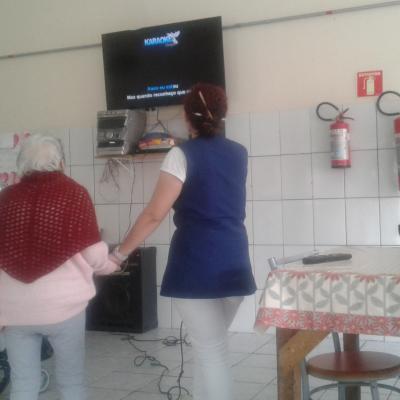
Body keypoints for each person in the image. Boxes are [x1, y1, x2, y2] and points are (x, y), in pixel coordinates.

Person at [112, 83, 256, 400]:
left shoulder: (180, 154)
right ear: (222, 114)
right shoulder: (239, 152)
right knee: (211, 348)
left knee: (211, 351)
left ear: (187, 117)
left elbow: (154, 214)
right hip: (235, 260)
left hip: (197, 263)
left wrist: (119, 255)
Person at [0, 134, 119, 400]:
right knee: (71, 382)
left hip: (13, 310)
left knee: (23, 383)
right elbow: (93, 254)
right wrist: (109, 265)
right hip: (64, 308)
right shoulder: (74, 193)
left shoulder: (5, 198)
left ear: (21, 164)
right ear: (61, 163)